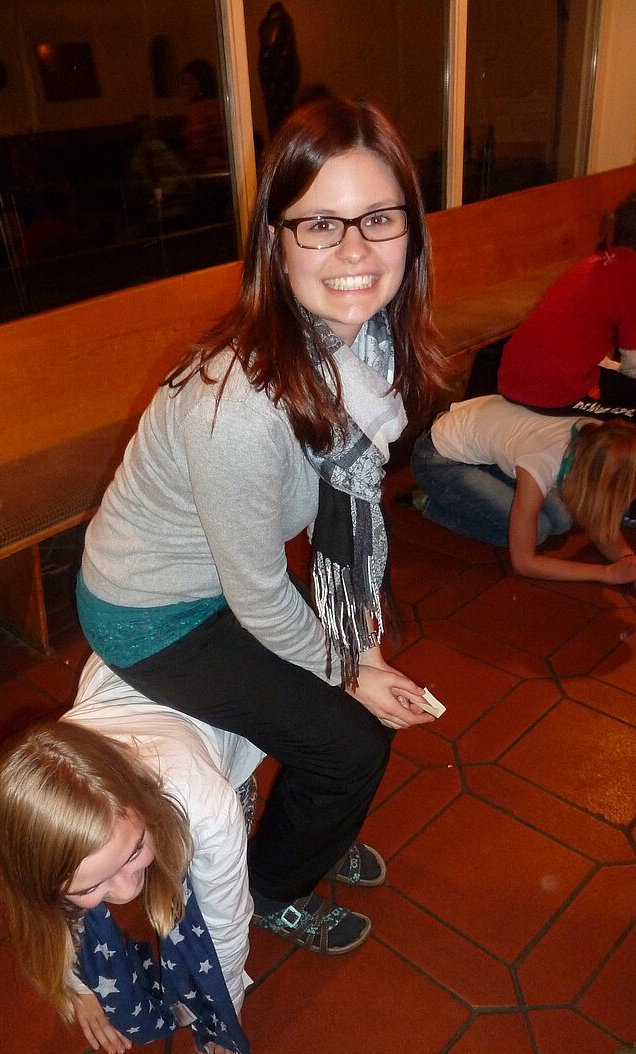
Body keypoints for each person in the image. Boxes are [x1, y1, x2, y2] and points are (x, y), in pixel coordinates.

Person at [75, 95, 448, 956]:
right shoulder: (241, 405)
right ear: (275, 244)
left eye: (379, 218)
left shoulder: (360, 354)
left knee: (346, 729)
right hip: (152, 613)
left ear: (411, 231)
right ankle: (274, 887)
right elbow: (258, 596)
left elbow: (342, 524)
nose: (355, 250)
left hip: (217, 584)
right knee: (351, 746)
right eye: (319, 224)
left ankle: (307, 832)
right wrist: (348, 672)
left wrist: (365, 652)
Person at [0, 653, 262, 1054]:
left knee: (212, 877)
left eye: (132, 853)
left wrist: (224, 1010)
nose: (127, 890)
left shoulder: (207, 808)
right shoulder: (46, 840)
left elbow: (225, 925)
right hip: (118, 675)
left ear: (142, 810)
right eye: (92, 884)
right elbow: (44, 913)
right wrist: (79, 986)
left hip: (219, 690)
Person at [410, 393, 636, 586]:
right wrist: (606, 574)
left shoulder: (597, 437)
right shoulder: (542, 460)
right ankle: (427, 502)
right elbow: (524, 563)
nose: (628, 503)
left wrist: (629, 561)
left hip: (482, 446)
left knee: (562, 519)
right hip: (437, 460)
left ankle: (478, 484)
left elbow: (596, 520)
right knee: (537, 532)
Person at [497, 192, 636, 423]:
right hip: (551, 391)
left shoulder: (600, 260)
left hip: (513, 376)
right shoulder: (631, 278)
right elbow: (633, 367)